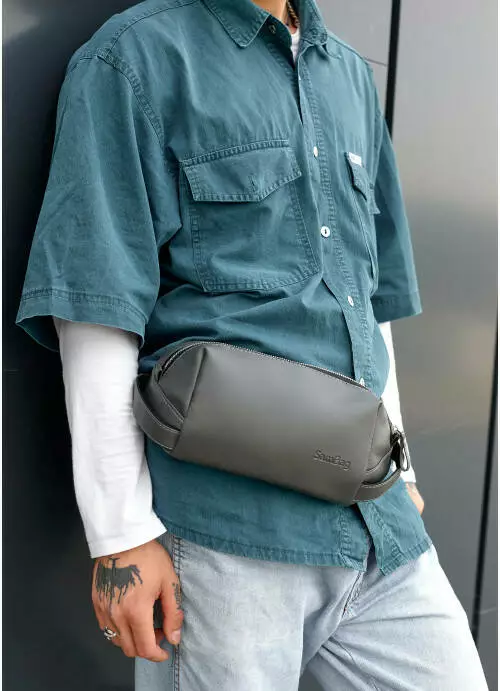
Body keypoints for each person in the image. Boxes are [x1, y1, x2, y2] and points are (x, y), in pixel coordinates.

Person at [16, 0, 488, 688]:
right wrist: (120, 536)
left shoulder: (348, 75)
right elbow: (96, 307)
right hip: (227, 540)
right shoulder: (135, 59)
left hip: (376, 529)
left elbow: (365, 300)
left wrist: (402, 470)